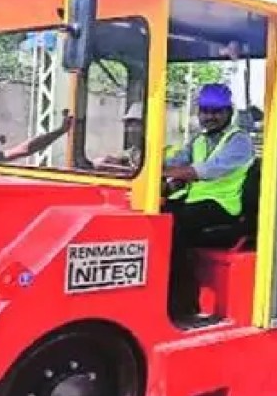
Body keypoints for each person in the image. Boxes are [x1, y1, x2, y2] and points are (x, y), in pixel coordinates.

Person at [162, 82, 255, 321]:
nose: (209, 117)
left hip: (224, 207)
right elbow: (178, 162)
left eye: (216, 111)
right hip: (195, 202)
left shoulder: (239, 141)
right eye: (205, 111)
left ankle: (183, 304)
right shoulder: (198, 141)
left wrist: (164, 171)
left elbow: (208, 170)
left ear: (229, 112)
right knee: (153, 215)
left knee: (173, 227)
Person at [93, 102, 145, 172]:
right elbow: (119, 158)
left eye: (136, 125)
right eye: (129, 125)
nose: (130, 130)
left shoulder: (156, 154)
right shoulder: (132, 152)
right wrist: (106, 161)